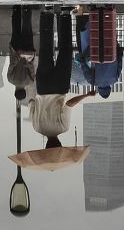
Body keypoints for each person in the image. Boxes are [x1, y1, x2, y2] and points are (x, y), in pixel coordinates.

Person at [30, 8, 95, 146]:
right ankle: (46, 14)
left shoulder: (63, 128)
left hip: (60, 86)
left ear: (59, 144)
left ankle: (64, 15)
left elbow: (69, 104)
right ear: (46, 145)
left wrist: (87, 95)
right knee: (45, 49)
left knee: (65, 50)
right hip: (42, 86)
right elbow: (31, 103)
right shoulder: (37, 128)